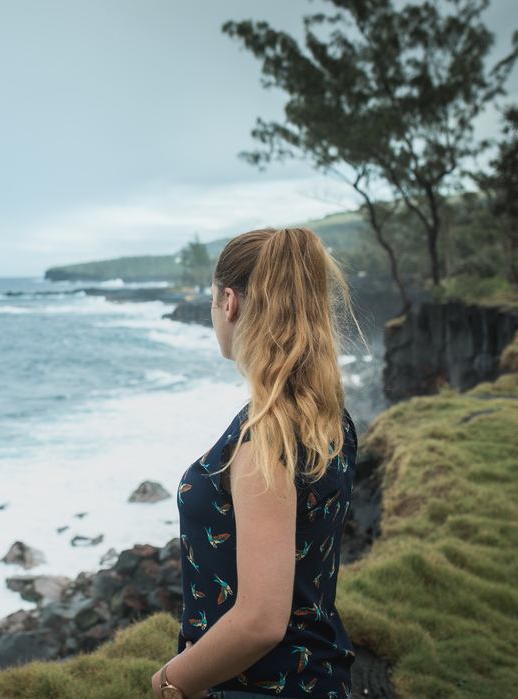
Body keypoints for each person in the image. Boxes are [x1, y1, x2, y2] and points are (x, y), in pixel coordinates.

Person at [151, 227, 368, 699]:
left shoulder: (265, 440)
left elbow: (260, 621)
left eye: (213, 302)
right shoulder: (326, 417)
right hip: (315, 676)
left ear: (229, 302)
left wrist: (172, 681)